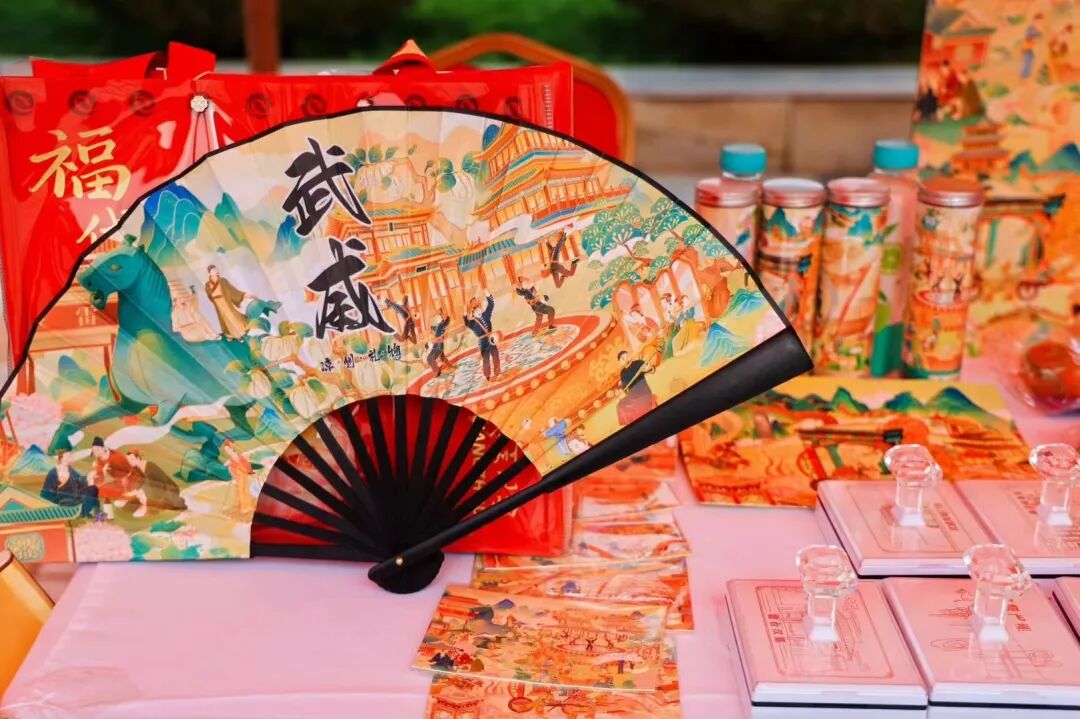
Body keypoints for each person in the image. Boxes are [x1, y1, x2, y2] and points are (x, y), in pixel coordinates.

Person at [87, 437, 144, 517]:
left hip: (130, 478)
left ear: (103, 448)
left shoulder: (117, 457)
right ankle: (108, 514)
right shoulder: (99, 459)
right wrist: (99, 472)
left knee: (120, 499)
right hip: (119, 481)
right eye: (93, 450)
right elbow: (100, 478)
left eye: (97, 449)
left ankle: (138, 497)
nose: (95, 452)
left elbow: (130, 472)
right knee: (100, 491)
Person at [40, 451, 99, 518]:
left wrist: (90, 476)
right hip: (66, 500)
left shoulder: (70, 470)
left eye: (71, 456)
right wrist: (53, 508)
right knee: (91, 490)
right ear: (61, 458)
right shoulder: (54, 472)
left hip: (76, 496)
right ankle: (85, 514)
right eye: (68, 456)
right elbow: (46, 493)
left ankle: (91, 513)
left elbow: (80, 481)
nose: (71, 457)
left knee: (93, 489)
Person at [464, 294, 501, 380]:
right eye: (474, 308)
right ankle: (487, 376)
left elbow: (491, 304)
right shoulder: (472, 323)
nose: (477, 309)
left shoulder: (486, 315)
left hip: (491, 338)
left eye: (478, 305)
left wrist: (487, 293)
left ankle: (497, 373)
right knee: (486, 359)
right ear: (472, 312)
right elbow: (466, 322)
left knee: (495, 355)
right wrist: (466, 312)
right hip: (483, 342)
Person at [616, 351, 656, 425]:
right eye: (622, 359)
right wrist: (620, 391)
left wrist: (649, 369)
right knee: (620, 406)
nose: (625, 359)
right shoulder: (622, 373)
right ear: (620, 362)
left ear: (630, 356)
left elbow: (651, 370)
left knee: (638, 407)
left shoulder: (638, 363)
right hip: (632, 396)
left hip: (643, 393)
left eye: (627, 356)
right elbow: (625, 387)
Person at [222, 440, 256, 518]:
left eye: (228, 449)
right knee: (240, 490)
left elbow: (242, 465)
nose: (227, 451)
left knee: (243, 490)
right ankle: (241, 505)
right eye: (226, 450)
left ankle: (247, 507)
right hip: (238, 476)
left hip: (242, 476)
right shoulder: (232, 458)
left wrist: (230, 464)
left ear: (232, 448)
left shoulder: (236, 456)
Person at [425, 308, 454, 377]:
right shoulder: (440, 324)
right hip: (437, 344)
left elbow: (441, 335)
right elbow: (432, 328)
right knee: (442, 357)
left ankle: (437, 372)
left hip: (438, 345)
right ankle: (450, 366)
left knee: (430, 358)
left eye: (442, 313)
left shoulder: (444, 324)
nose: (441, 314)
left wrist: (437, 339)